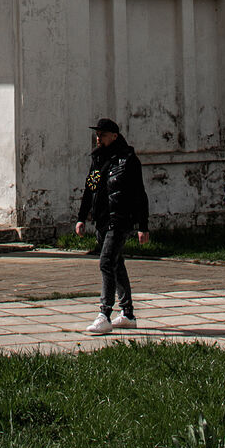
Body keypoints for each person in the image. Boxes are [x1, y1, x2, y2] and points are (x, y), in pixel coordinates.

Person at [76, 117, 150, 334]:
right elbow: (89, 189)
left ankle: (104, 314)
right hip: (102, 220)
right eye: (97, 135)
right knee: (116, 264)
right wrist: (81, 217)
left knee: (106, 262)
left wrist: (142, 226)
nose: (98, 138)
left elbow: (139, 194)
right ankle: (127, 314)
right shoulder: (97, 160)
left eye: (103, 135)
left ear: (114, 136)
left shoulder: (128, 160)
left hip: (120, 219)